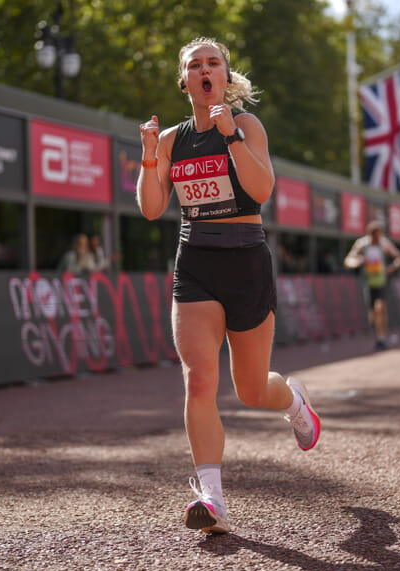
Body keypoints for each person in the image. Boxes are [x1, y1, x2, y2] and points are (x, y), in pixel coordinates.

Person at [136, 37, 320, 535]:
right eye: (194, 65)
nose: (204, 69)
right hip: (195, 262)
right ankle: (211, 498)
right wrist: (151, 156)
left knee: (253, 390)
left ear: (225, 74)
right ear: (184, 81)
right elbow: (153, 208)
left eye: (212, 62)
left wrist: (230, 135)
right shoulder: (174, 140)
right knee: (198, 379)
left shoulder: (246, 126)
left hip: (246, 262)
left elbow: (261, 190)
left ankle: (296, 404)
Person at [343, 220, 400, 350]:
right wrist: (358, 262)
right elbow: (348, 260)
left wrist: (391, 268)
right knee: (373, 314)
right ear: (369, 234)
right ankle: (378, 332)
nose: (377, 239)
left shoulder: (384, 243)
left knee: (381, 308)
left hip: (382, 281)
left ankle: (381, 338)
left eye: (378, 236)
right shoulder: (362, 244)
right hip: (368, 282)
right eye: (374, 236)